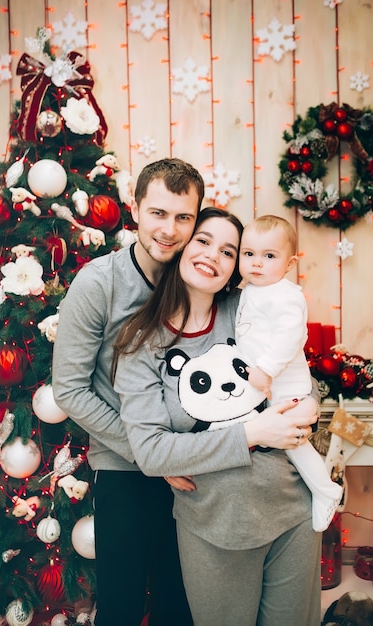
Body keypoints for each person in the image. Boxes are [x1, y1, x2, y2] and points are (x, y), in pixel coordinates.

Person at [113, 207, 321, 626]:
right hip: (214, 524)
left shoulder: (246, 310)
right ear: (182, 247)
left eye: (229, 251)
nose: (214, 256)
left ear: (237, 265)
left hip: (292, 509)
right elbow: (152, 452)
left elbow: (290, 362)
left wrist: (312, 400)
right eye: (204, 241)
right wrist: (253, 432)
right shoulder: (143, 340)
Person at [52, 158, 205, 626]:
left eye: (184, 217)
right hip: (125, 466)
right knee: (120, 605)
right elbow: (71, 390)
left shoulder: (201, 278)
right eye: (159, 213)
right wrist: (151, 457)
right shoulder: (99, 282)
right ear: (134, 208)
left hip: (196, 467)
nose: (170, 229)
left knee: (180, 606)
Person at [235, 215, 342, 532]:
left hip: (285, 387)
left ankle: (325, 490)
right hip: (263, 388)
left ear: (290, 263)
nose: (257, 263)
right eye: (249, 254)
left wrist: (265, 369)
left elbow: (290, 335)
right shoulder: (249, 291)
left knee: (295, 444)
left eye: (269, 256)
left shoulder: (286, 293)